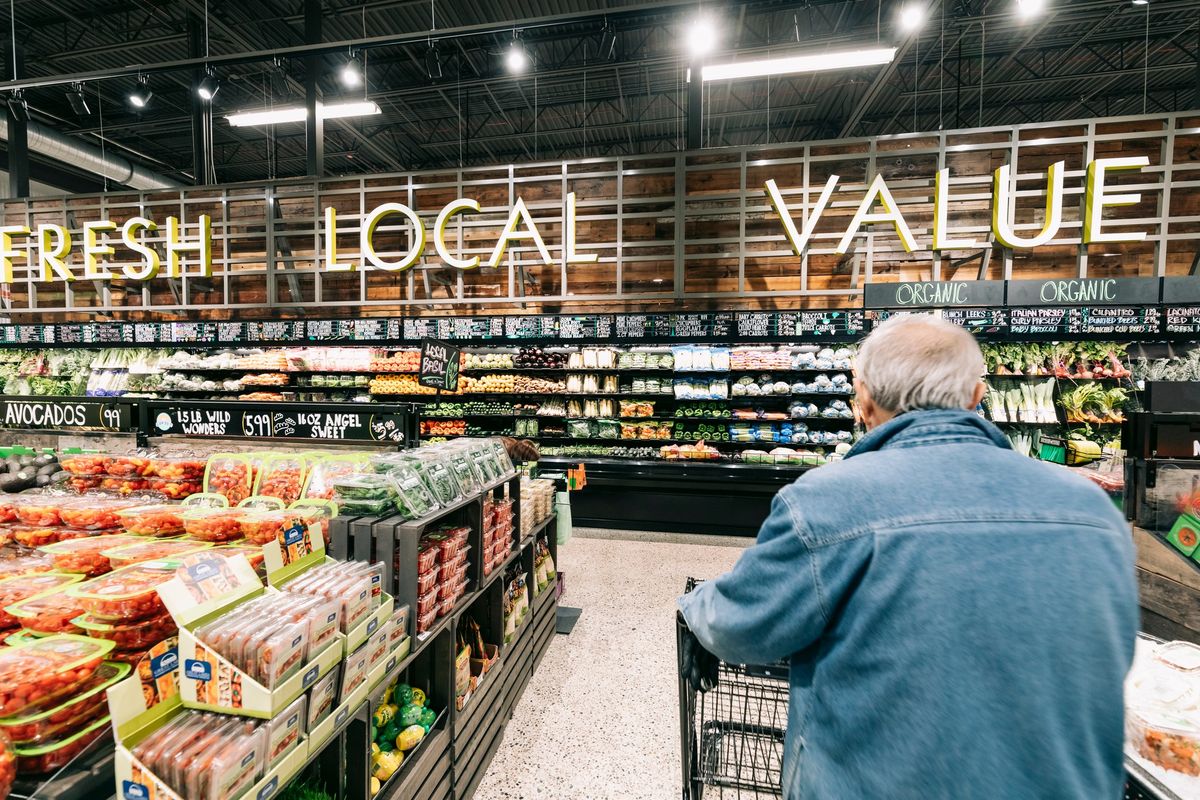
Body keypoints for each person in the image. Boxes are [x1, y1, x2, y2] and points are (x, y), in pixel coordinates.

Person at [677, 314, 1137, 800]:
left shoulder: (826, 504)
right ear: (978, 398)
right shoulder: (1092, 512)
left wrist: (697, 607)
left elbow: (742, 624)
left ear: (863, 400)